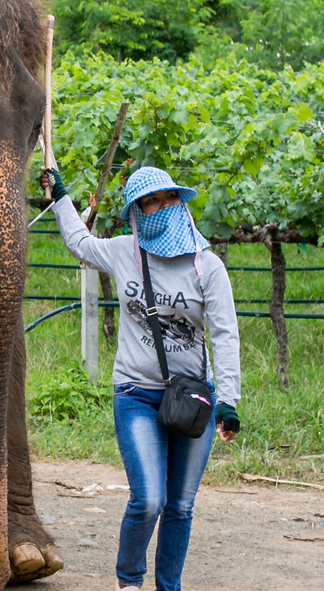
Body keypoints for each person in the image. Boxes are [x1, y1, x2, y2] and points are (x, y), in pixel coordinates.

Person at [44, 164, 240, 591]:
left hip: (192, 400)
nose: (161, 207)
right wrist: (61, 197)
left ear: (178, 201)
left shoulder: (207, 267)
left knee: (181, 506)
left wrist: (228, 400)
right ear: (137, 212)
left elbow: (225, 335)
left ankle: (169, 586)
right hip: (135, 393)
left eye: (167, 197)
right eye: (149, 202)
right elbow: (79, 243)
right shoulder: (122, 251)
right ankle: (129, 581)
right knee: (149, 499)